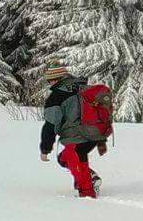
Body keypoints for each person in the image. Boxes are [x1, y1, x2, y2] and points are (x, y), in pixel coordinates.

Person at [38, 64, 110, 198]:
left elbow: (51, 125)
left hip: (76, 137)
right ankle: (91, 177)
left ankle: (87, 196)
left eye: (50, 80)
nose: (49, 83)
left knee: (76, 159)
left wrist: (45, 149)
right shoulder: (82, 87)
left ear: (55, 79)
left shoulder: (57, 96)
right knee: (64, 159)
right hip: (95, 133)